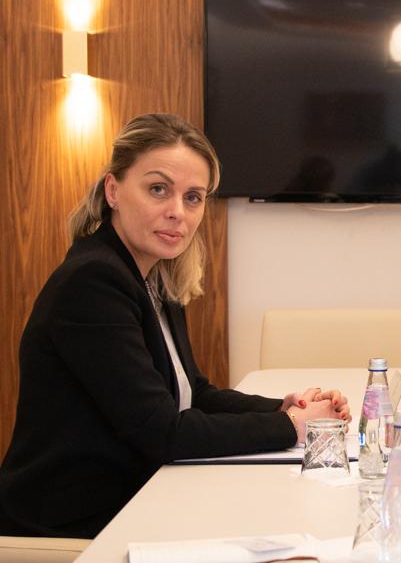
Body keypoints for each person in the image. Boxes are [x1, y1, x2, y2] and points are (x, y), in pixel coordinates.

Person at [0, 114, 352, 539]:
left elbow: (192, 392)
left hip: (136, 498)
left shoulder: (155, 277)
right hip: (73, 524)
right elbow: (163, 432)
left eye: (193, 197)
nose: (177, 213)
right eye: (158, 189)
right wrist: (293, 425)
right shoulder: (93, 281)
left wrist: (281, 407)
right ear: (113, 190)